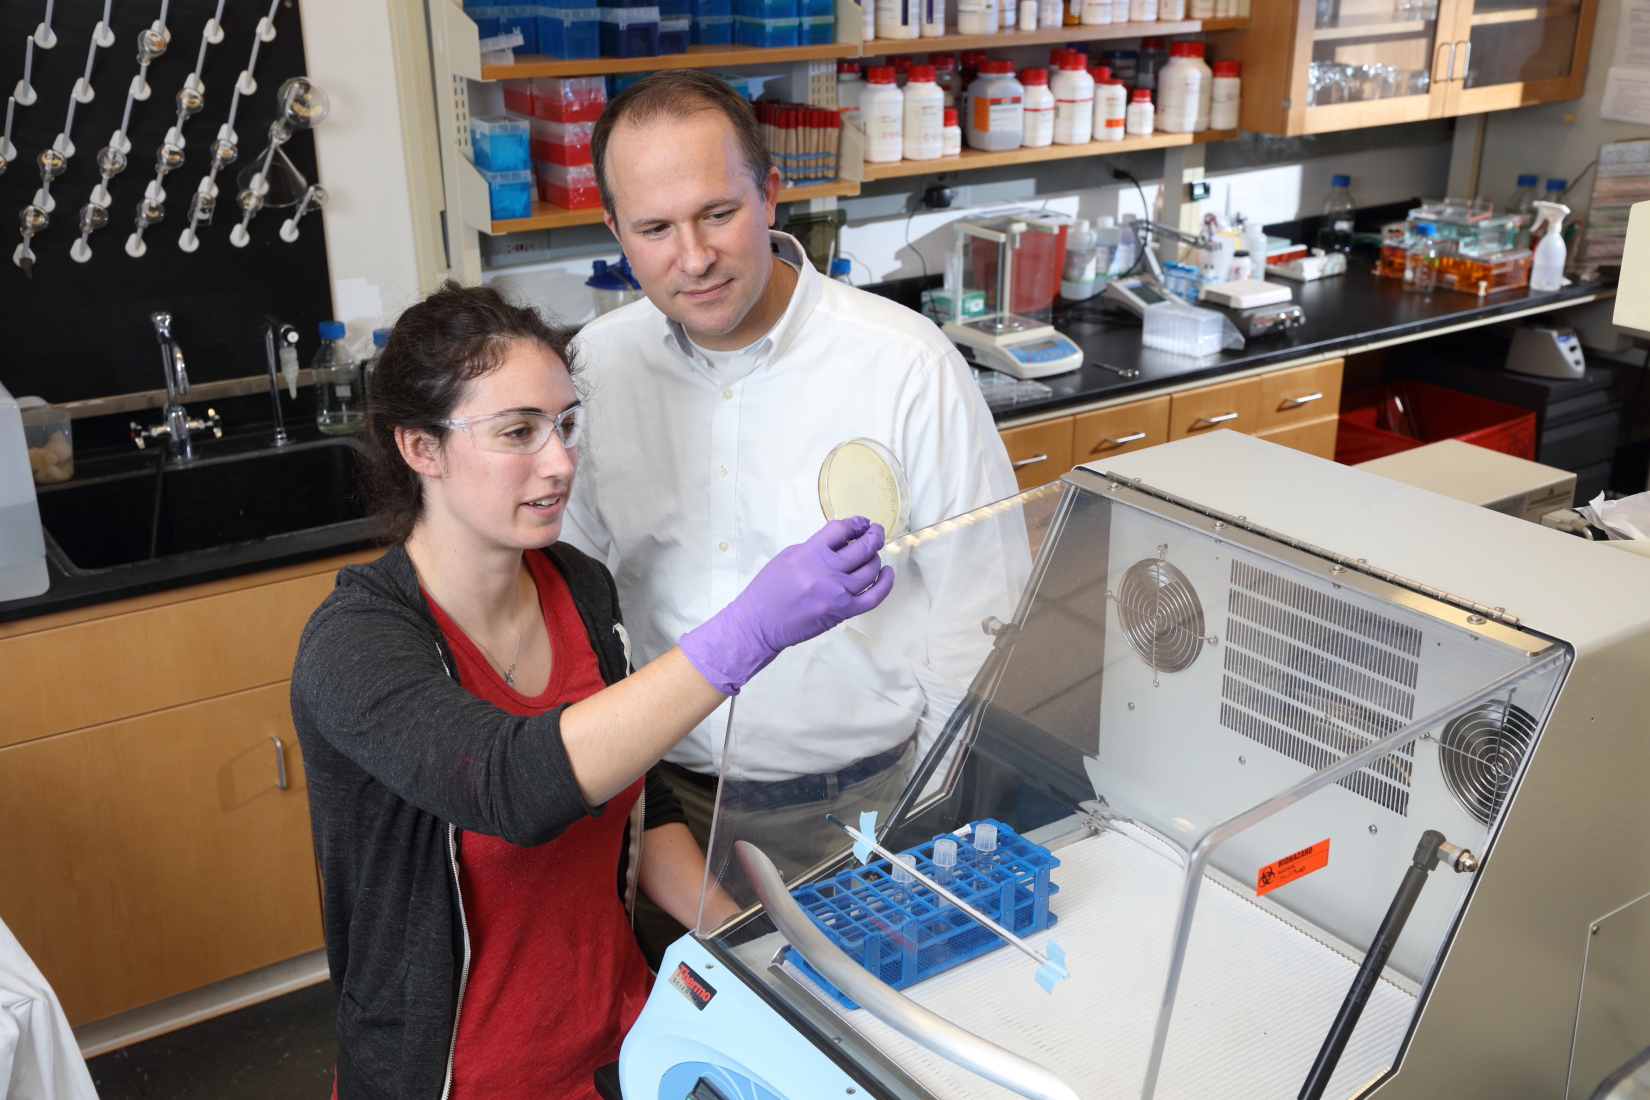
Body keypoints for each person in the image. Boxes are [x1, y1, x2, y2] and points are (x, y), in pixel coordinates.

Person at [289, 282, 892, 1100]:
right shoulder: (356, 645)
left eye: (565, 424)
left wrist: (741, 945)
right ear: (420, 449)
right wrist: (752, 628)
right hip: (456, 1079)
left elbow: (636, 795)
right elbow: (511, 785)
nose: (560, 461)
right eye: (517, 433)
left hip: (622, 1043)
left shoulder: (578, 588)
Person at [562, 69, 1018, 957]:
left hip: (859, 808)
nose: (692, 257)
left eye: (718, 214)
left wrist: (927, 816)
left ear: (770, 194)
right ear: (615, 232)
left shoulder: (902, 363)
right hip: (664, 818)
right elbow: (579, 606)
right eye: (654, 229)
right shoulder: (594, 367)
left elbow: (979, 609)